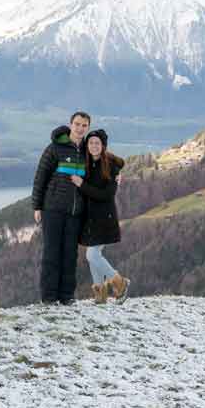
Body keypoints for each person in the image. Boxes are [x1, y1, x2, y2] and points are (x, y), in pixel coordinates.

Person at [31, 110, 91, 304]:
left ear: (87, 128)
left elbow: (104, 168)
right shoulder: (55, 148)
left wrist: (116, 175)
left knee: (70, 254)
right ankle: (49, 297)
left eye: (84, 125)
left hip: (75, 212)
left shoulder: (87, 151)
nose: (80, 128)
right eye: (77, 124)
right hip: (53, 209)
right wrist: (37, 206)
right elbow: (41, 177)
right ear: (70, 125)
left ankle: (66, 296)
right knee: (51, 253)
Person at [74, 127, 129, 303]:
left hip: (105, 219)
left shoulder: (112, 167)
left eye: (97, 143)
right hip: (90, 219)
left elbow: (105, 195)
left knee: (92, 255)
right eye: (90, 142)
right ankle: (100, 295)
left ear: (103, 146)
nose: (94, 146)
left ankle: (119, 282)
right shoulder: (87, 162)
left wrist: (82, 184)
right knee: (93, 256)